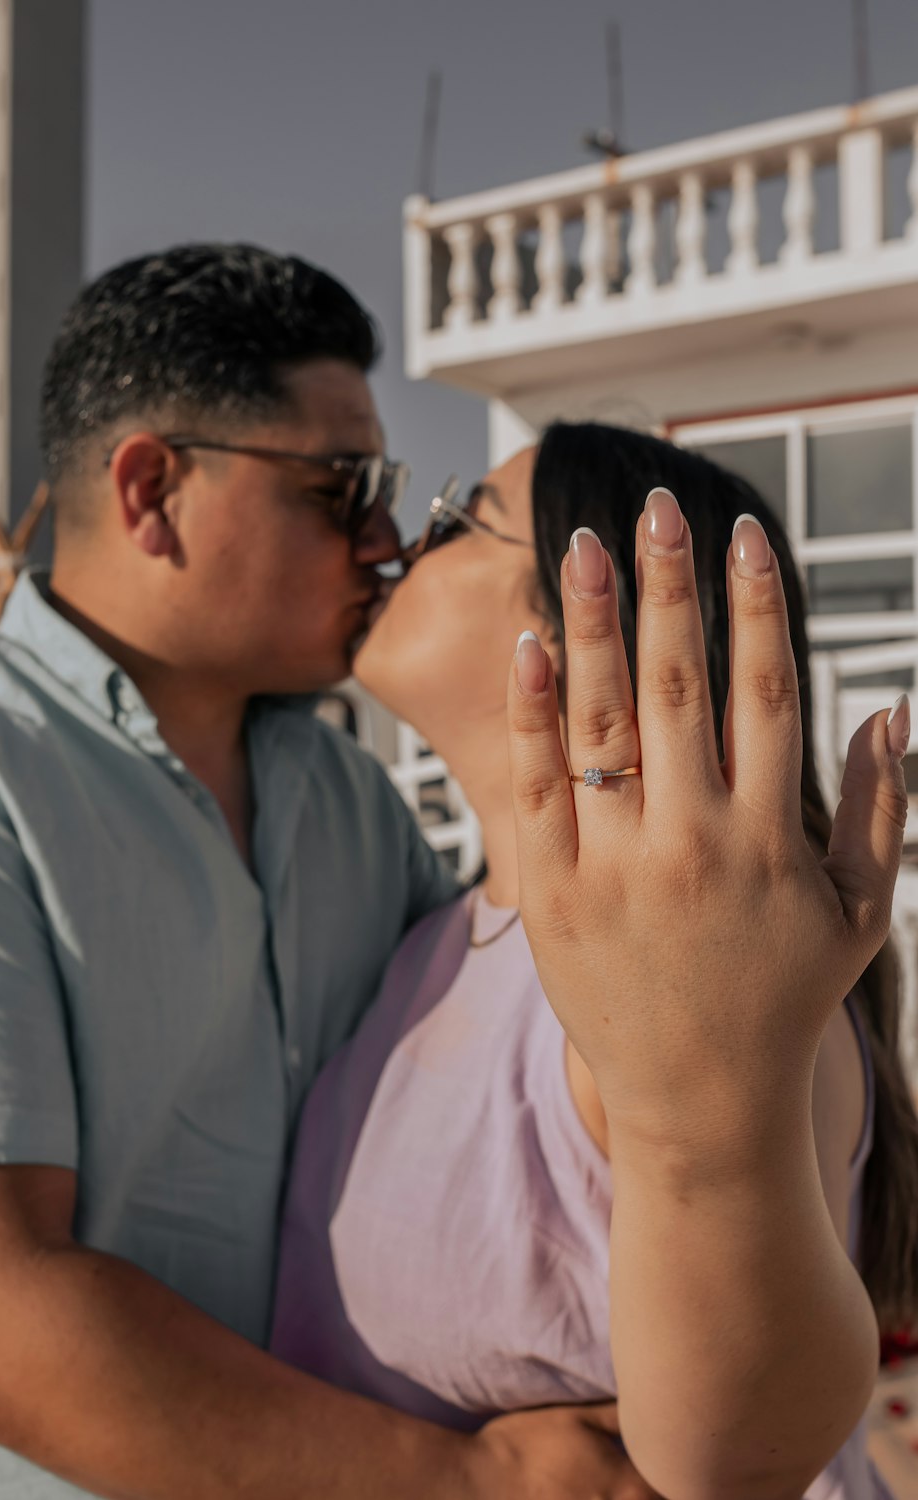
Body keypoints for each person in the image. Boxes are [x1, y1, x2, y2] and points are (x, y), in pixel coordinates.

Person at [0, 248, 657, 1499]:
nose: (382, 540)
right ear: (151, 490)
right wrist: (470, 1483)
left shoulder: (348, 803)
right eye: (341, 488)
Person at [271, 423, 918, 1498]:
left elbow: (740, 1460)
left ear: (577, 624)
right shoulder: (431, 938)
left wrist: (704, 1119)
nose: (394, 546)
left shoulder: (698, 970)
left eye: (452, 520)